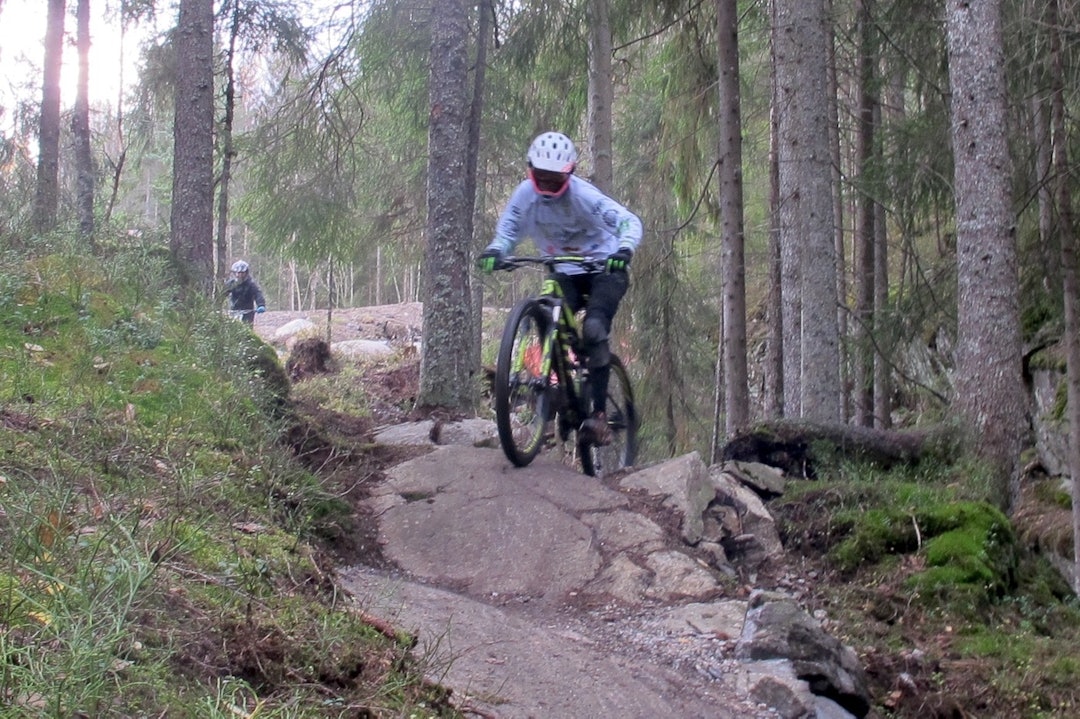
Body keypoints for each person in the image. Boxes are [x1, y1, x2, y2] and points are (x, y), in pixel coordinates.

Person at [478, 131, 643, 446]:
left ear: (570, 173)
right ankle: (555, 391)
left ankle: (597, 415)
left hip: (604, 269)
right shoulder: (525, 195)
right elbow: (509, 229)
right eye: (542, 177)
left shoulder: (584, 197)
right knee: (546, 309)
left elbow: (628, 222)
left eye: (556, 179)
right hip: (563, 271)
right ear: (530, 171)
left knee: (594, 329)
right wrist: (497, 249)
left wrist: (624, 251)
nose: (548, 185)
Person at [224, 259, 266, 325]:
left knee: (247, 328)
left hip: (248, 311)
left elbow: (257, 294)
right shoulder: (231, 283)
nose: (239, 275)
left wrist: (261, 305)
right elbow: (222, 294)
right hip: (234, 310)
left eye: (242, 273)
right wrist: (215, 305)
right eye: (238, 273)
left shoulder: (251, 284)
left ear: (246, 273)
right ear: (235, 273)